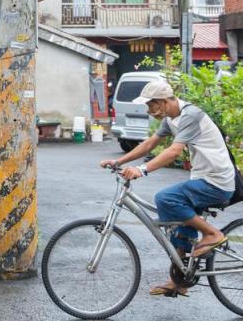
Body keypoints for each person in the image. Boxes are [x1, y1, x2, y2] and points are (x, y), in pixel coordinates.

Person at [99, 79, 234, 297]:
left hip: (217, 181)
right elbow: (148, 144)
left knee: (166, 199)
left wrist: (141, 170)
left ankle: (213, 234)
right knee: (177, 218)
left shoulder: (190, 115)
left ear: (162, 102)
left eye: (150, 104)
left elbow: (173, 152)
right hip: (203, 178)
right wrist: (119, 162)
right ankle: (179, 280)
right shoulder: (172, 118)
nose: (148, 109)